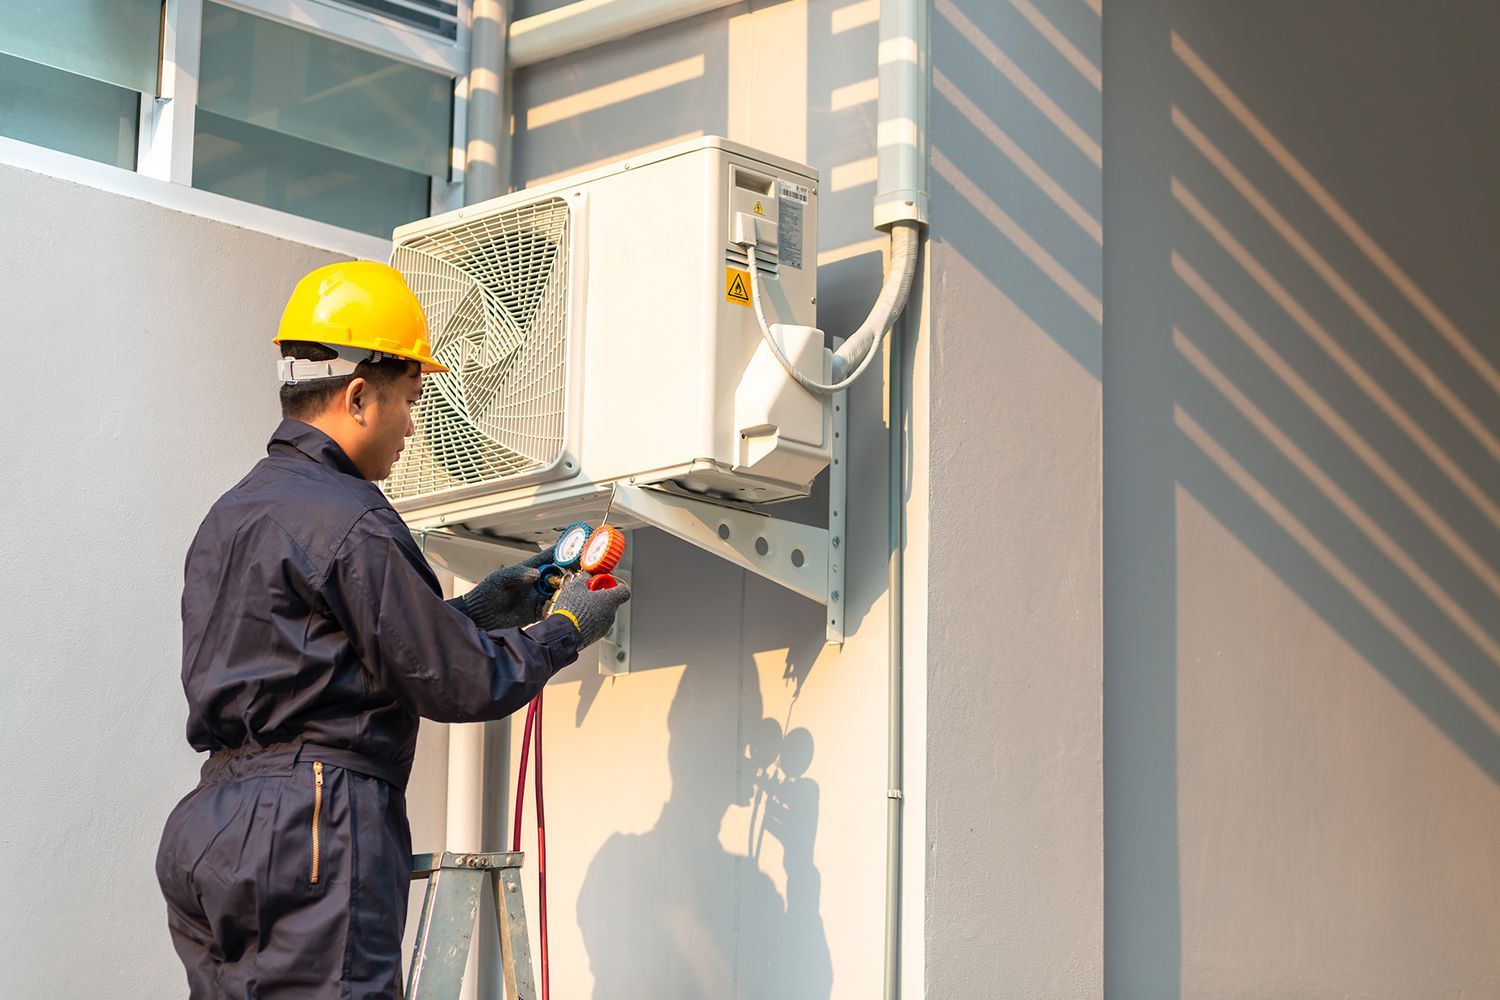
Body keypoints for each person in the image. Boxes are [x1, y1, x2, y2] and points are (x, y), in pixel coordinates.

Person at [155, 261, 629, 998]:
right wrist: (566, 627)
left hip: (212, 828)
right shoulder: (354, 519)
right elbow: (462, 681)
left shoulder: (232, 514)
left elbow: (319, 656)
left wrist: (473, 613)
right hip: (313, 822)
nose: (414, 425)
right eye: (410, 399)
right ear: (356, 396)